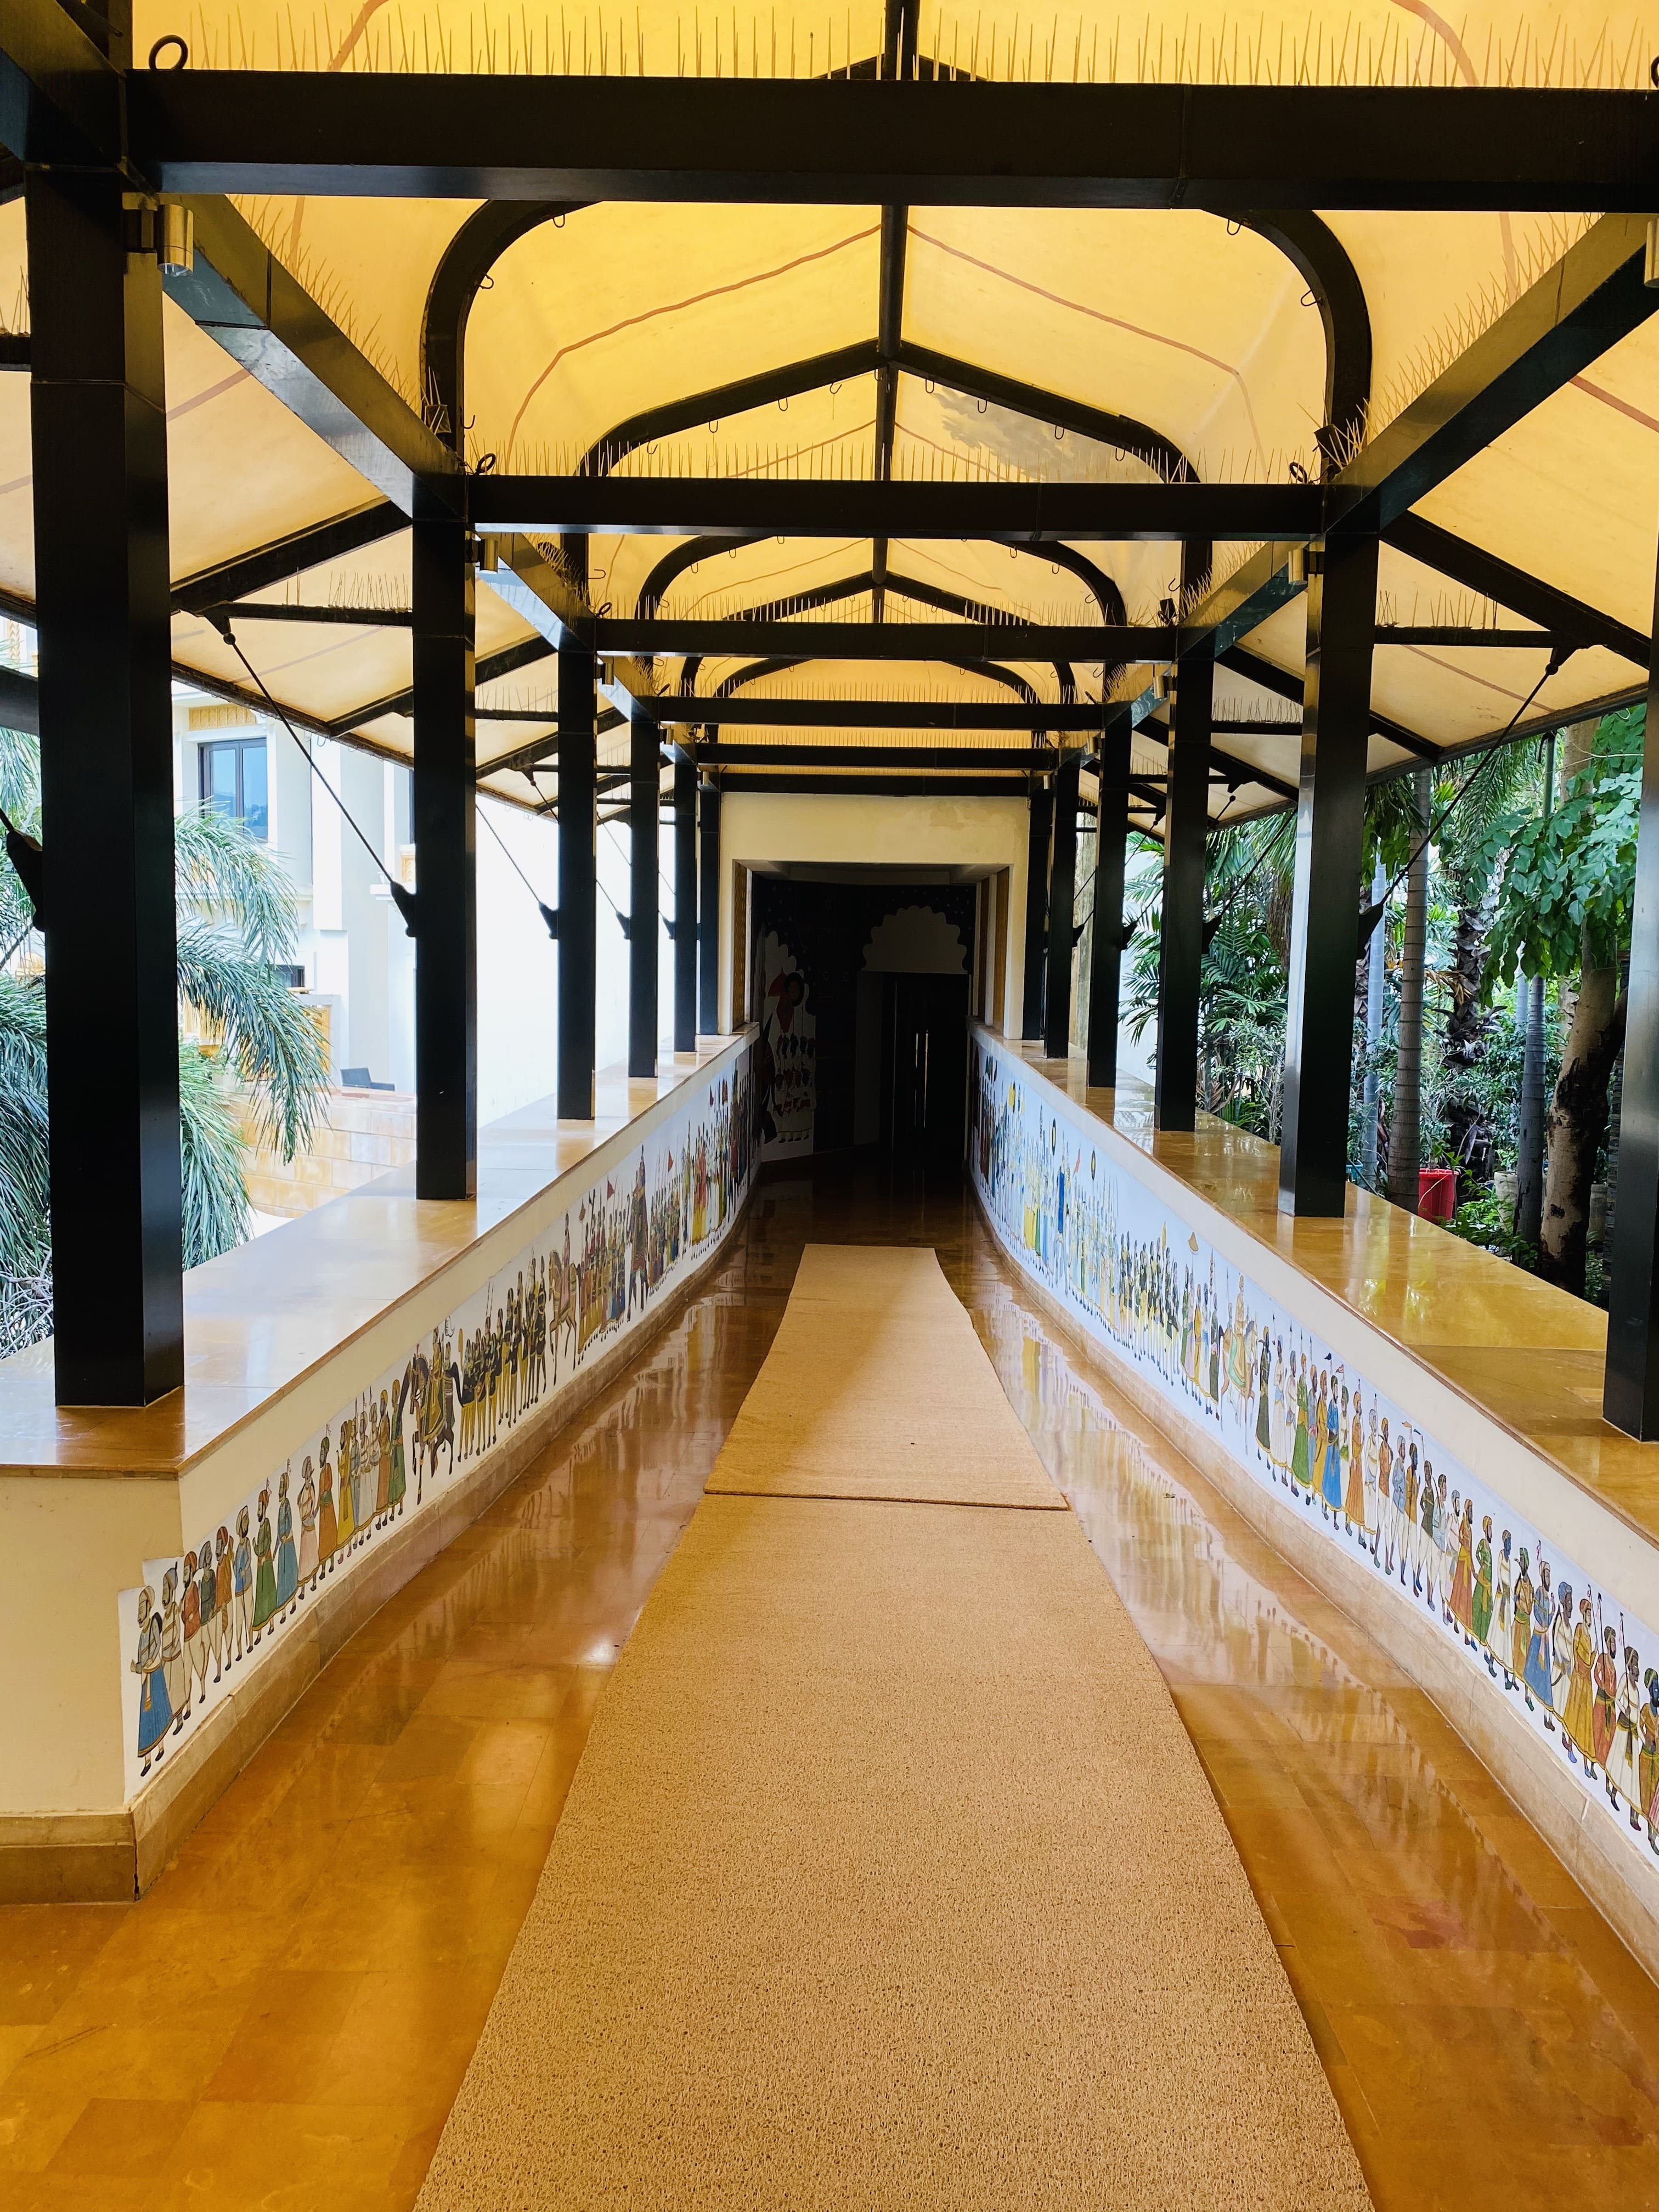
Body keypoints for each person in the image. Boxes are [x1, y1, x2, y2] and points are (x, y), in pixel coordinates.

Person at [131, 1588, 172, 1778]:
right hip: (146, 1678)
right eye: (138, 1611)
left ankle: (161, 1746)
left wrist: (146, 1664)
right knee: (146, 1718)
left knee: (159, 1712)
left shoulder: (153, 1626)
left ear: (148, 1608)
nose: (140, 1615)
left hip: (155, 1674)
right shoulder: (141, 1636)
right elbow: (141, 1656)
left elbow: (156, 1647)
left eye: (141, 1609)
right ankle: (147, 1758)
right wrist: (138, 1668)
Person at [274, 1469, 298, 1623]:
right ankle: (283, 1612)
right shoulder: (279, 1509)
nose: (280, 1490)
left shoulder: (287, 1504)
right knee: (282, 1578)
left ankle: (294, 1602)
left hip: (288, 1544)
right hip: (282, 1547)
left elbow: (289, 1522)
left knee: (290, 1572)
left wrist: (286, 1535)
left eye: (282, 1487)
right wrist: (276, 1547)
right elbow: (278, 1530)